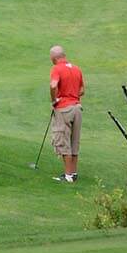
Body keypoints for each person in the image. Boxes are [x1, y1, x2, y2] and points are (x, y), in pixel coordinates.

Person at [49, 45, 85, 183]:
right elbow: (82, 90)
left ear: (54, 57)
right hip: (77, 108)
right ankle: (73, 173)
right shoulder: (76, 69)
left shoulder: (56, 68)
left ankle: (68, 176)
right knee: (74, 141)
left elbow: (53, 85)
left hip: (64, 109)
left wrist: (55, 100)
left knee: (63, 140)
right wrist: (72, 94)